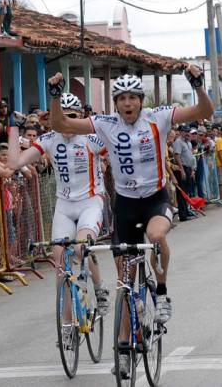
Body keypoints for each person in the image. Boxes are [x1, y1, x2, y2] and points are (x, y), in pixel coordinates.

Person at [47, 66, 212, 332]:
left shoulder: (158, 117)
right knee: (125, 283)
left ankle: (161, 292)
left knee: (156, 236)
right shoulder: (105, 123)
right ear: (115, 103)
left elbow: (204, 112)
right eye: (121, 98)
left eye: (132, 97)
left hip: (155, 199)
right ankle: (124, 350)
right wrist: (55, 97)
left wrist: (198, 86)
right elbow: (60, 124)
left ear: (140, 101)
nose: (127, 102)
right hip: (125, 205)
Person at [7, 92, 110, 316]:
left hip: (90, 201)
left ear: (80, 116)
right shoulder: (49, 139)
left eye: (71, 116)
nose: (65, 122)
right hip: (64, 204)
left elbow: (118, 155)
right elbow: (14, 163)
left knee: (82, 248)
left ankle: (100, 287)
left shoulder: (91, 138)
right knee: (60, 261)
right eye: (60, 117)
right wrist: (13, 128)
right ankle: (66, 323)